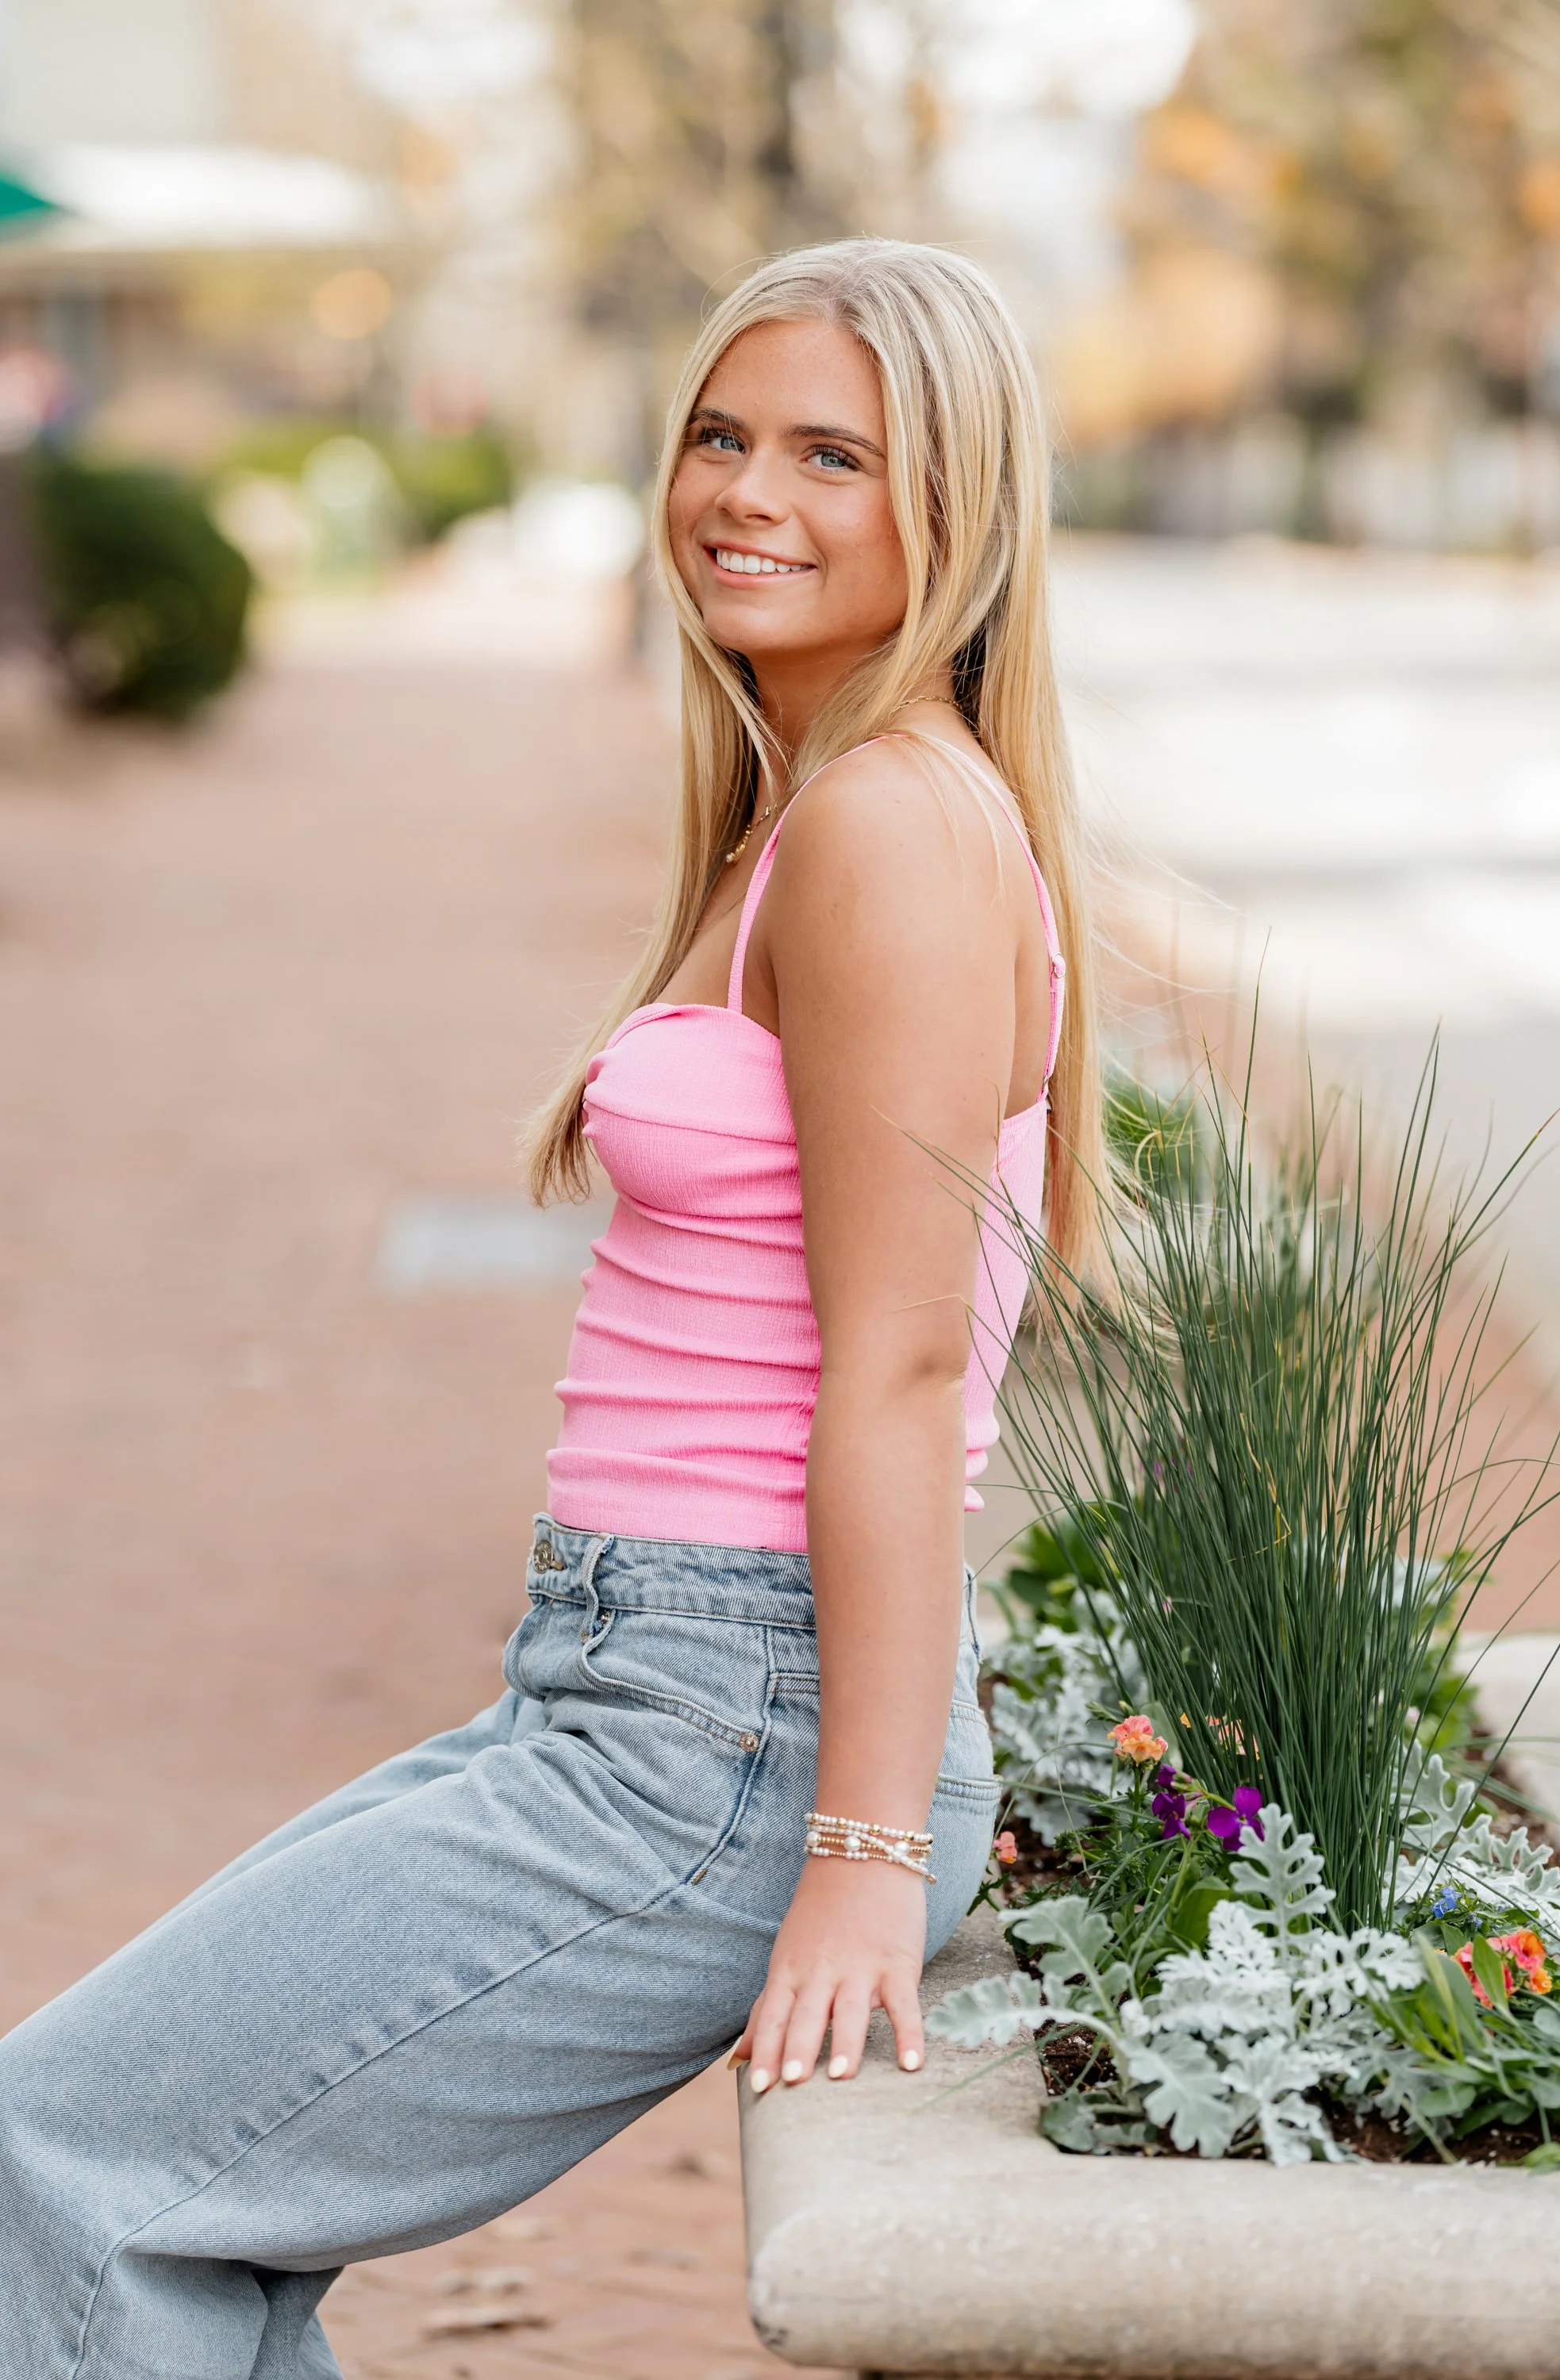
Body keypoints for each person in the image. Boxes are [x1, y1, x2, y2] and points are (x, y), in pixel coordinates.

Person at [0, 237, 1105, 2378]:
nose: (744, 496)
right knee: (134, 2185)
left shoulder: (894, 828)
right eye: (719, 435)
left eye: (830, 456)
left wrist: (866, 1854)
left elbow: (891, 1375)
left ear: (955, 510)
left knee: (66, 2168)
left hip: (732, 1737)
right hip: (619, 1688)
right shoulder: (814, 808)